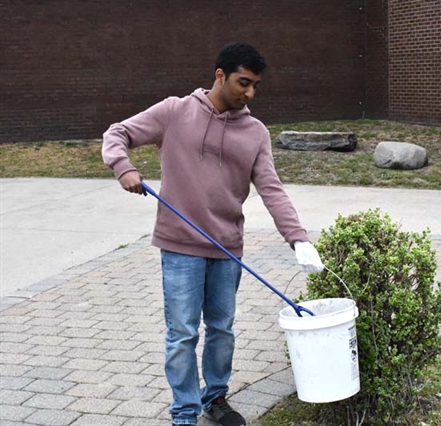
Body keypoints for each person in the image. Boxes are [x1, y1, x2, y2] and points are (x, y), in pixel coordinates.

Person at [102, 42, 324, 426]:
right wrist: (123, 168)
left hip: (227, 249)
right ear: (219, 75)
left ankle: (216, 399)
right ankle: (185, 414)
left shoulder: (255, 133)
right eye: (243, 82)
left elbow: (272, 188)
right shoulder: (175, 112)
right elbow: (116, 133)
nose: (249, 93)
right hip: (180, 247)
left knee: (221, 329)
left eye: (255, 85)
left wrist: (298, 239)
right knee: (183, 334)